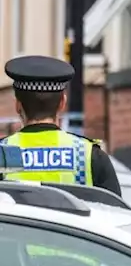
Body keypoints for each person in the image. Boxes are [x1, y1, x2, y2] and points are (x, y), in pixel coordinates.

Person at [0, 56, 121, 195]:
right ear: (62, 103)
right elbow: (116, 212)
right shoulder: (88, 155)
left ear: (18, 105)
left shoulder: (3, 154)